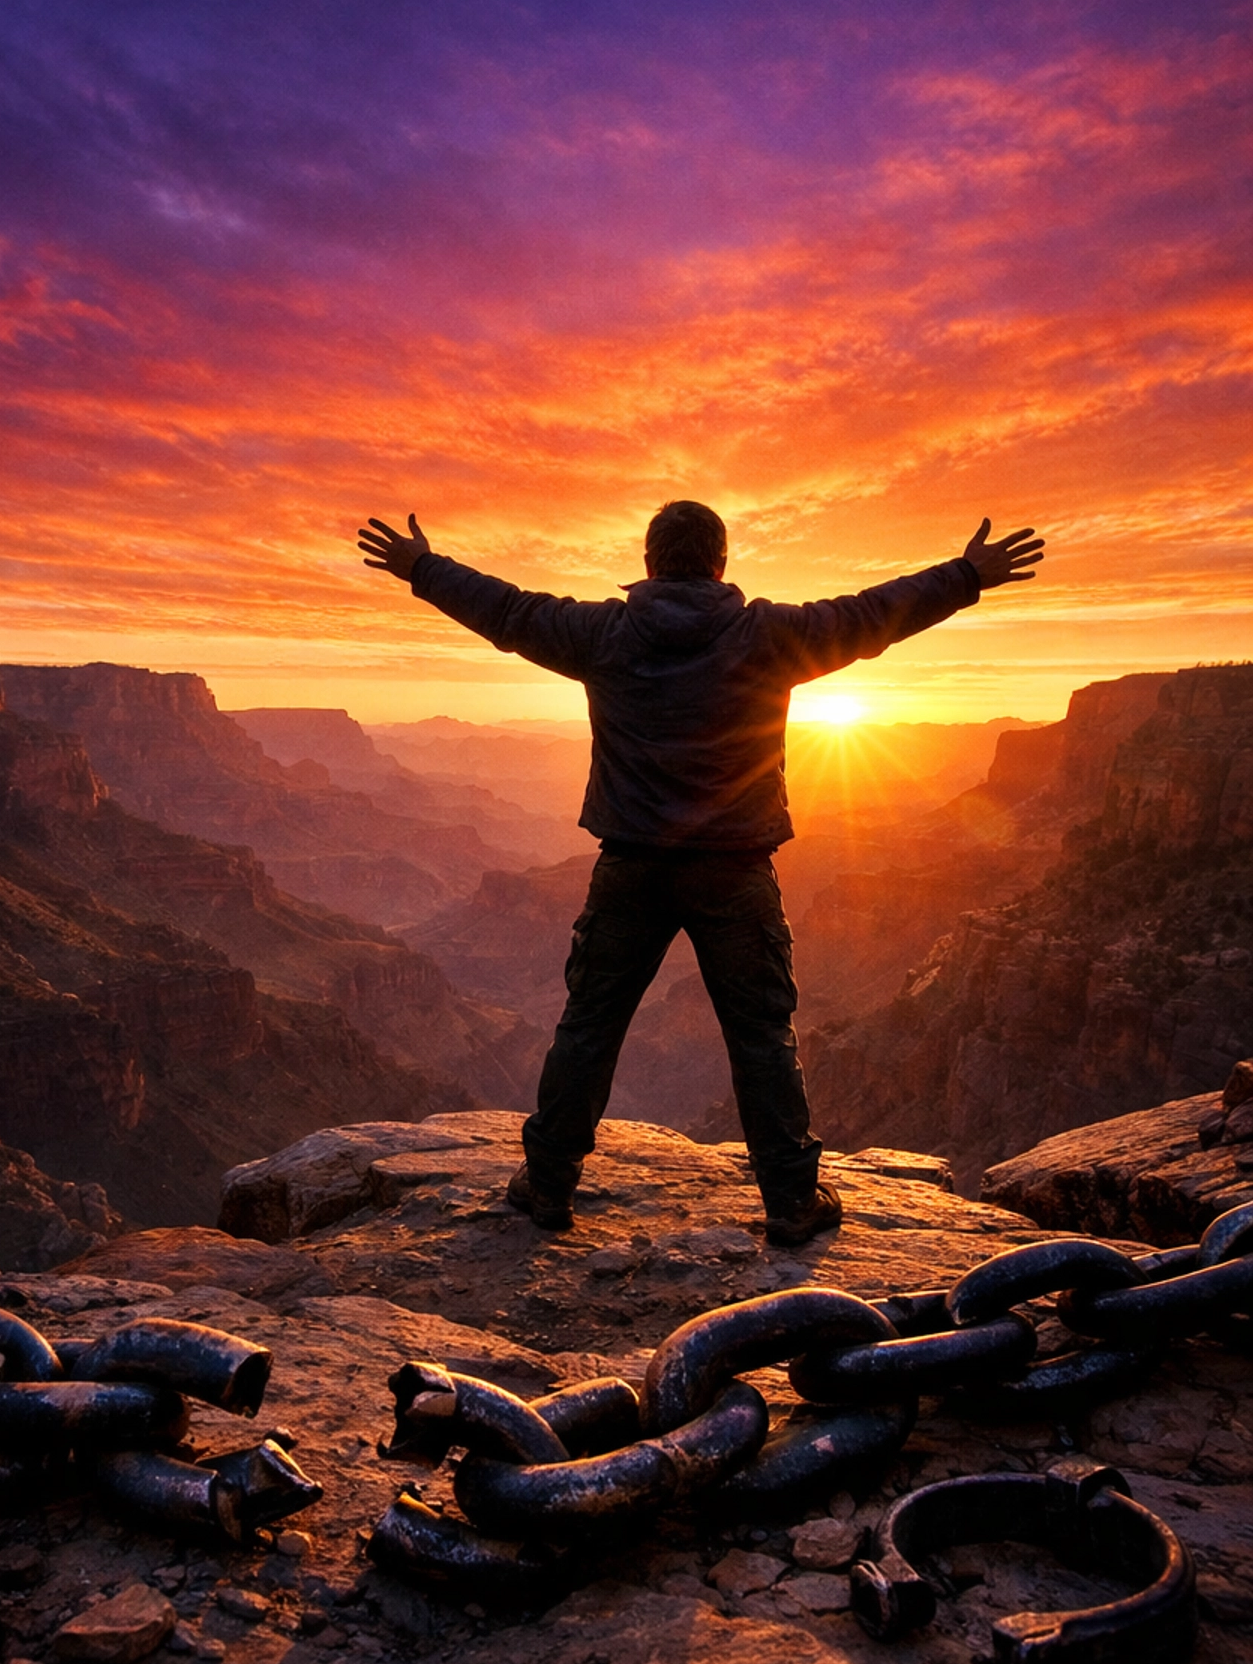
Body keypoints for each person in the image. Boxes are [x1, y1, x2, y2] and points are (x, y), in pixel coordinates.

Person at [357, 502, 1045, 1246]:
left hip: (631, 868)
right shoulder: (769, 635)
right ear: (721, 563)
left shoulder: (603, 633)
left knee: (589, 1029)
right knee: (761, 1038)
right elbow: (872, 615)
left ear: (649, 563)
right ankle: (789, 1201)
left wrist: (421, 567)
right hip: (735, 871)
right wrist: (967, 574)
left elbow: (509, 611)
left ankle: (549, 1185)